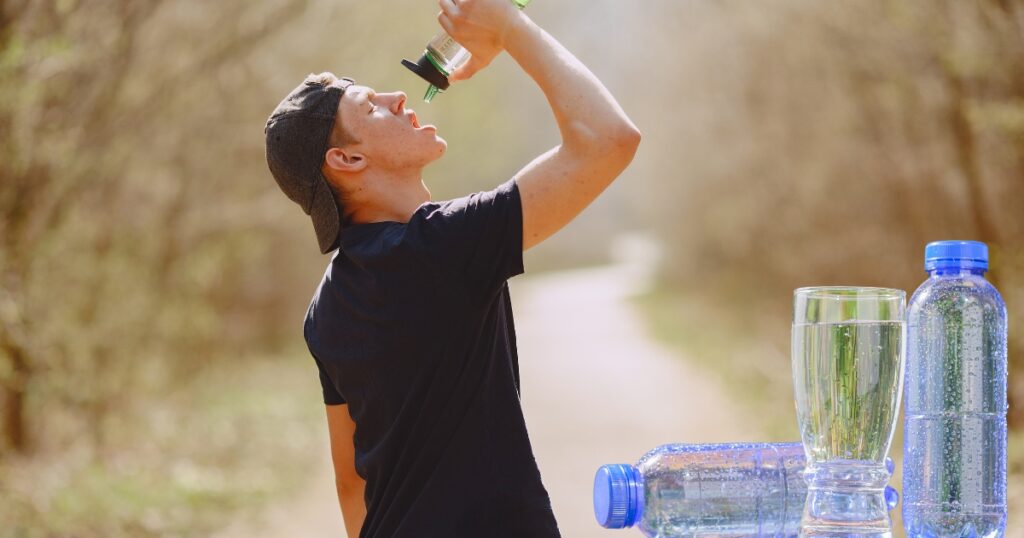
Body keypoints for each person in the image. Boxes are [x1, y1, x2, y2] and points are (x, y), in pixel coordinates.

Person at [263, 0, 640, 536]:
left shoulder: (325, 308)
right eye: (370, 108)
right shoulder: (440, 249)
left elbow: (352, 485)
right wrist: (509, 25)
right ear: (347, 161)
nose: (397, 96)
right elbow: (609, 140)